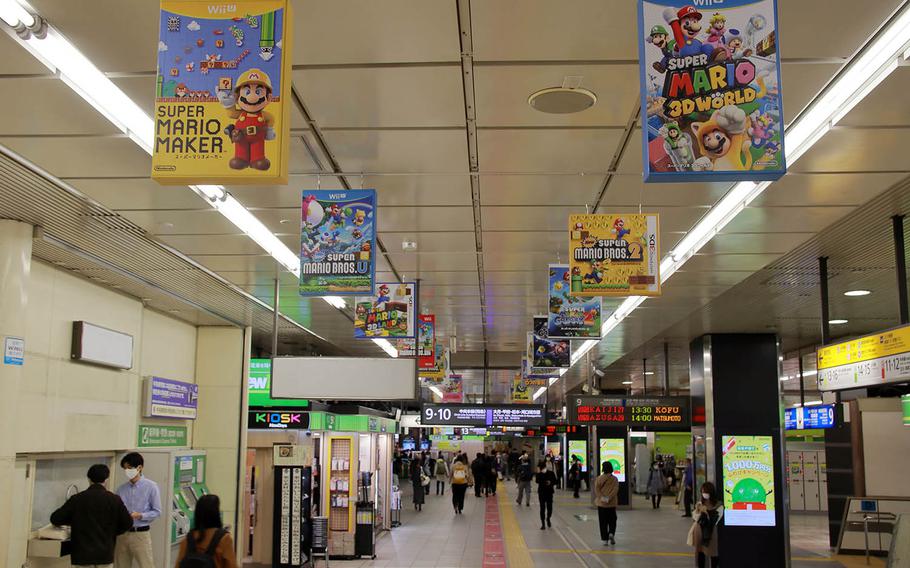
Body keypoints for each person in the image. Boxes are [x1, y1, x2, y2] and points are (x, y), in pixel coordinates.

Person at [50, 464, 133, 567]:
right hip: (105, 553)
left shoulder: (77, 499)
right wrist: (112, 532)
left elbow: (55, 518)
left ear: (89, 479)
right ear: (106, 479)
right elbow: (128, 523)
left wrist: (73, 522)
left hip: (82, 554)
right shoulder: (114, 499)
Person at [115, 452, 161, 568]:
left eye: (129, 468)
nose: (127, 471)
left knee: (146, 565)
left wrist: (140, 515)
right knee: (121, 565)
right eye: (125, 468)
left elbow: (157, 511)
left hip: (140, 533)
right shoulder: (121, 489)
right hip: (122, 534)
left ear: (139, 468)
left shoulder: (151, 486)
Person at [173, 494, 237, 568]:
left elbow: (178, 565)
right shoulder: (224, 539)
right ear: (216, 513)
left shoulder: (187, 540)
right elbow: (231, 565)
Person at [691, 482, 723, 568]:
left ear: (711, 493)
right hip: (699, 530)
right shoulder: (700, 504)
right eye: (702, 492)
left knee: (713, 551)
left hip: (712, 530)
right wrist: (700, 514)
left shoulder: (718, 505)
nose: (704, 494)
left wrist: (707, 515)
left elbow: (718, 518)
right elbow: (694, 516)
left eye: (706, 492)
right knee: (700, 551)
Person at [594, 461, 619, 546]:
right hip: (611, 504)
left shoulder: (599, 478)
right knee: (612, 520)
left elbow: (597, 490)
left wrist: (602, 498)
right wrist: (609, 498)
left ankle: (605, 539)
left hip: (601, 504)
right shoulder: (614, 479)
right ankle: (611, 533)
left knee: (603, 522)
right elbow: (615, 490)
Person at [535, 460, 557, 530]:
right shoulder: (539, 474)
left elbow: (555, 481)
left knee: (549, 508)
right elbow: (537, 481)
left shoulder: (551, 473)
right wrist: (538, 474)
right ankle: (543, 524)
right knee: (542, 508)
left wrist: (550, 482)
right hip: (541, 493)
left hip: (549, 492)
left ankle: (548, 518)